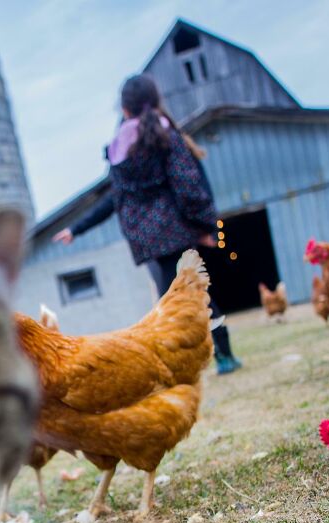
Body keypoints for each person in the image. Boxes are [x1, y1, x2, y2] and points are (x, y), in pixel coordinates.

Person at [53, 74, 241, 374]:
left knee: (176, 296)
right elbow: (188, 185)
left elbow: (115, 198)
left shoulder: (119, 148)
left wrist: (77, 228)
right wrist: (206, 225)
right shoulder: (164, 135)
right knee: (191, 296)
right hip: (175, 231)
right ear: (154, 101)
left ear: (125, 109)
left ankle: (191, 361)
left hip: (146, 238)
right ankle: (217, 357)